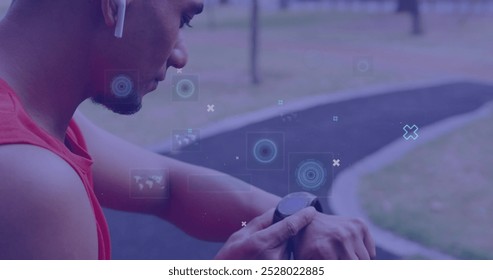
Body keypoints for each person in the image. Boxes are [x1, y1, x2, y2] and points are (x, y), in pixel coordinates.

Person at [0, 0, 376, 260]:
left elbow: (166, 186)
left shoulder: (40, 125)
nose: (180, 56)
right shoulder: (33, 179)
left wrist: (300, 220)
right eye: (183, 18)